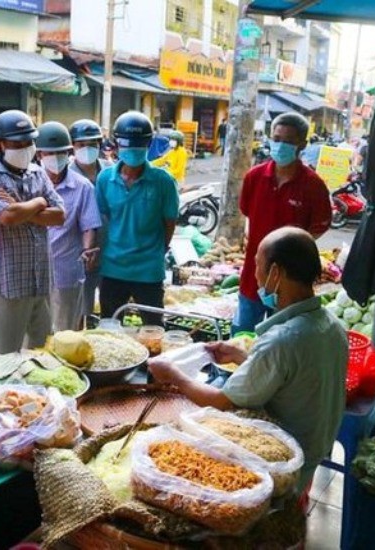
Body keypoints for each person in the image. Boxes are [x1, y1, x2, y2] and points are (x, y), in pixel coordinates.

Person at [149, 227, 347, 494]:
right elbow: (290, 379)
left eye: (257, 265)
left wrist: (172, 373)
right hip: (314, 447)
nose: (254, 274)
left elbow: (222, 401)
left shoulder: (282, 340)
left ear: (276, 273)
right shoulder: (331, 325)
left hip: (282, 461)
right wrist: (244, 357)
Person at [0, 110, 65, 354]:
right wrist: (39, 202)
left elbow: (60, 215)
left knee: (42, 359)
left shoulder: (38, 172)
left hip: (40, 281)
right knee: (2, 360)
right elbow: (8, 217)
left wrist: (19, 205)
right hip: (6, 286)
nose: (25, 148)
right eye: (17, 143)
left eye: (29, 142)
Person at [234, 111, 332, 334]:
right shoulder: (254, 177)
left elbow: (320, 225)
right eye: (276, 139)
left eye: (288, 141)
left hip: (290, 282)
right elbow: (247, 212)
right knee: (242, 337)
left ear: (302, 144)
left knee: (283, 342)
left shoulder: (313, 185)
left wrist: (292, 247)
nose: (280, 146)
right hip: (253, 276)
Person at [95, 111, 179, 325]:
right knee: (109, 329)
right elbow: (103, 219)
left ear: (148, 144)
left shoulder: (163, 181)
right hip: (113, 267)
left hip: (149, 270)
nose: (132, 149)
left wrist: (157, 250)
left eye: (139, 144)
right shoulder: (105, 179)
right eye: (127, 144)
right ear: (116, 144)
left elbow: (170, 222)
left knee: (153, 329)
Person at [37, 121, 102, 331]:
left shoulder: (82, 187)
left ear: (69, 152)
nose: (55, 159)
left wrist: (87, 250)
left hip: (66, 271)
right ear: (39, 155)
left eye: (61, 153)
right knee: (34, 333)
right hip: (32, 271)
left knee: (67, 331)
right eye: (49, 153)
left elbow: (89, 225)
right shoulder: (28, 183)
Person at [68, 119, 113, 319]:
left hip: (111, 253)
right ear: (73, 147)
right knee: (80, 313)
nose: (87, 149)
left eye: (92, 144)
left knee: (111, 312)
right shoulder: (65, 175)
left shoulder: (112, 171)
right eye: (81, 145)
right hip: (80, 255)